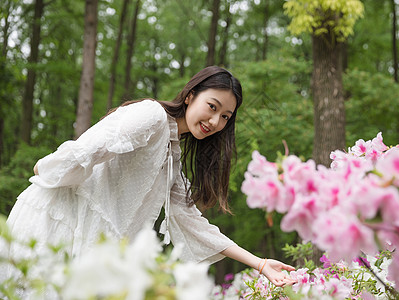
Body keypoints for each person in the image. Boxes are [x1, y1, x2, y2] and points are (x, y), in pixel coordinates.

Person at [5, 66, 296, 288]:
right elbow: (90, 148)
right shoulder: (151, 116)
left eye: (225, 117)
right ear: (191, 95)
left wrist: (260, 263)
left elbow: (193, 222)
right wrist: (48, 167)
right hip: (58, 221)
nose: (215, 121)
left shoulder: (171, 155)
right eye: (212, 107)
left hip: (91, 244)